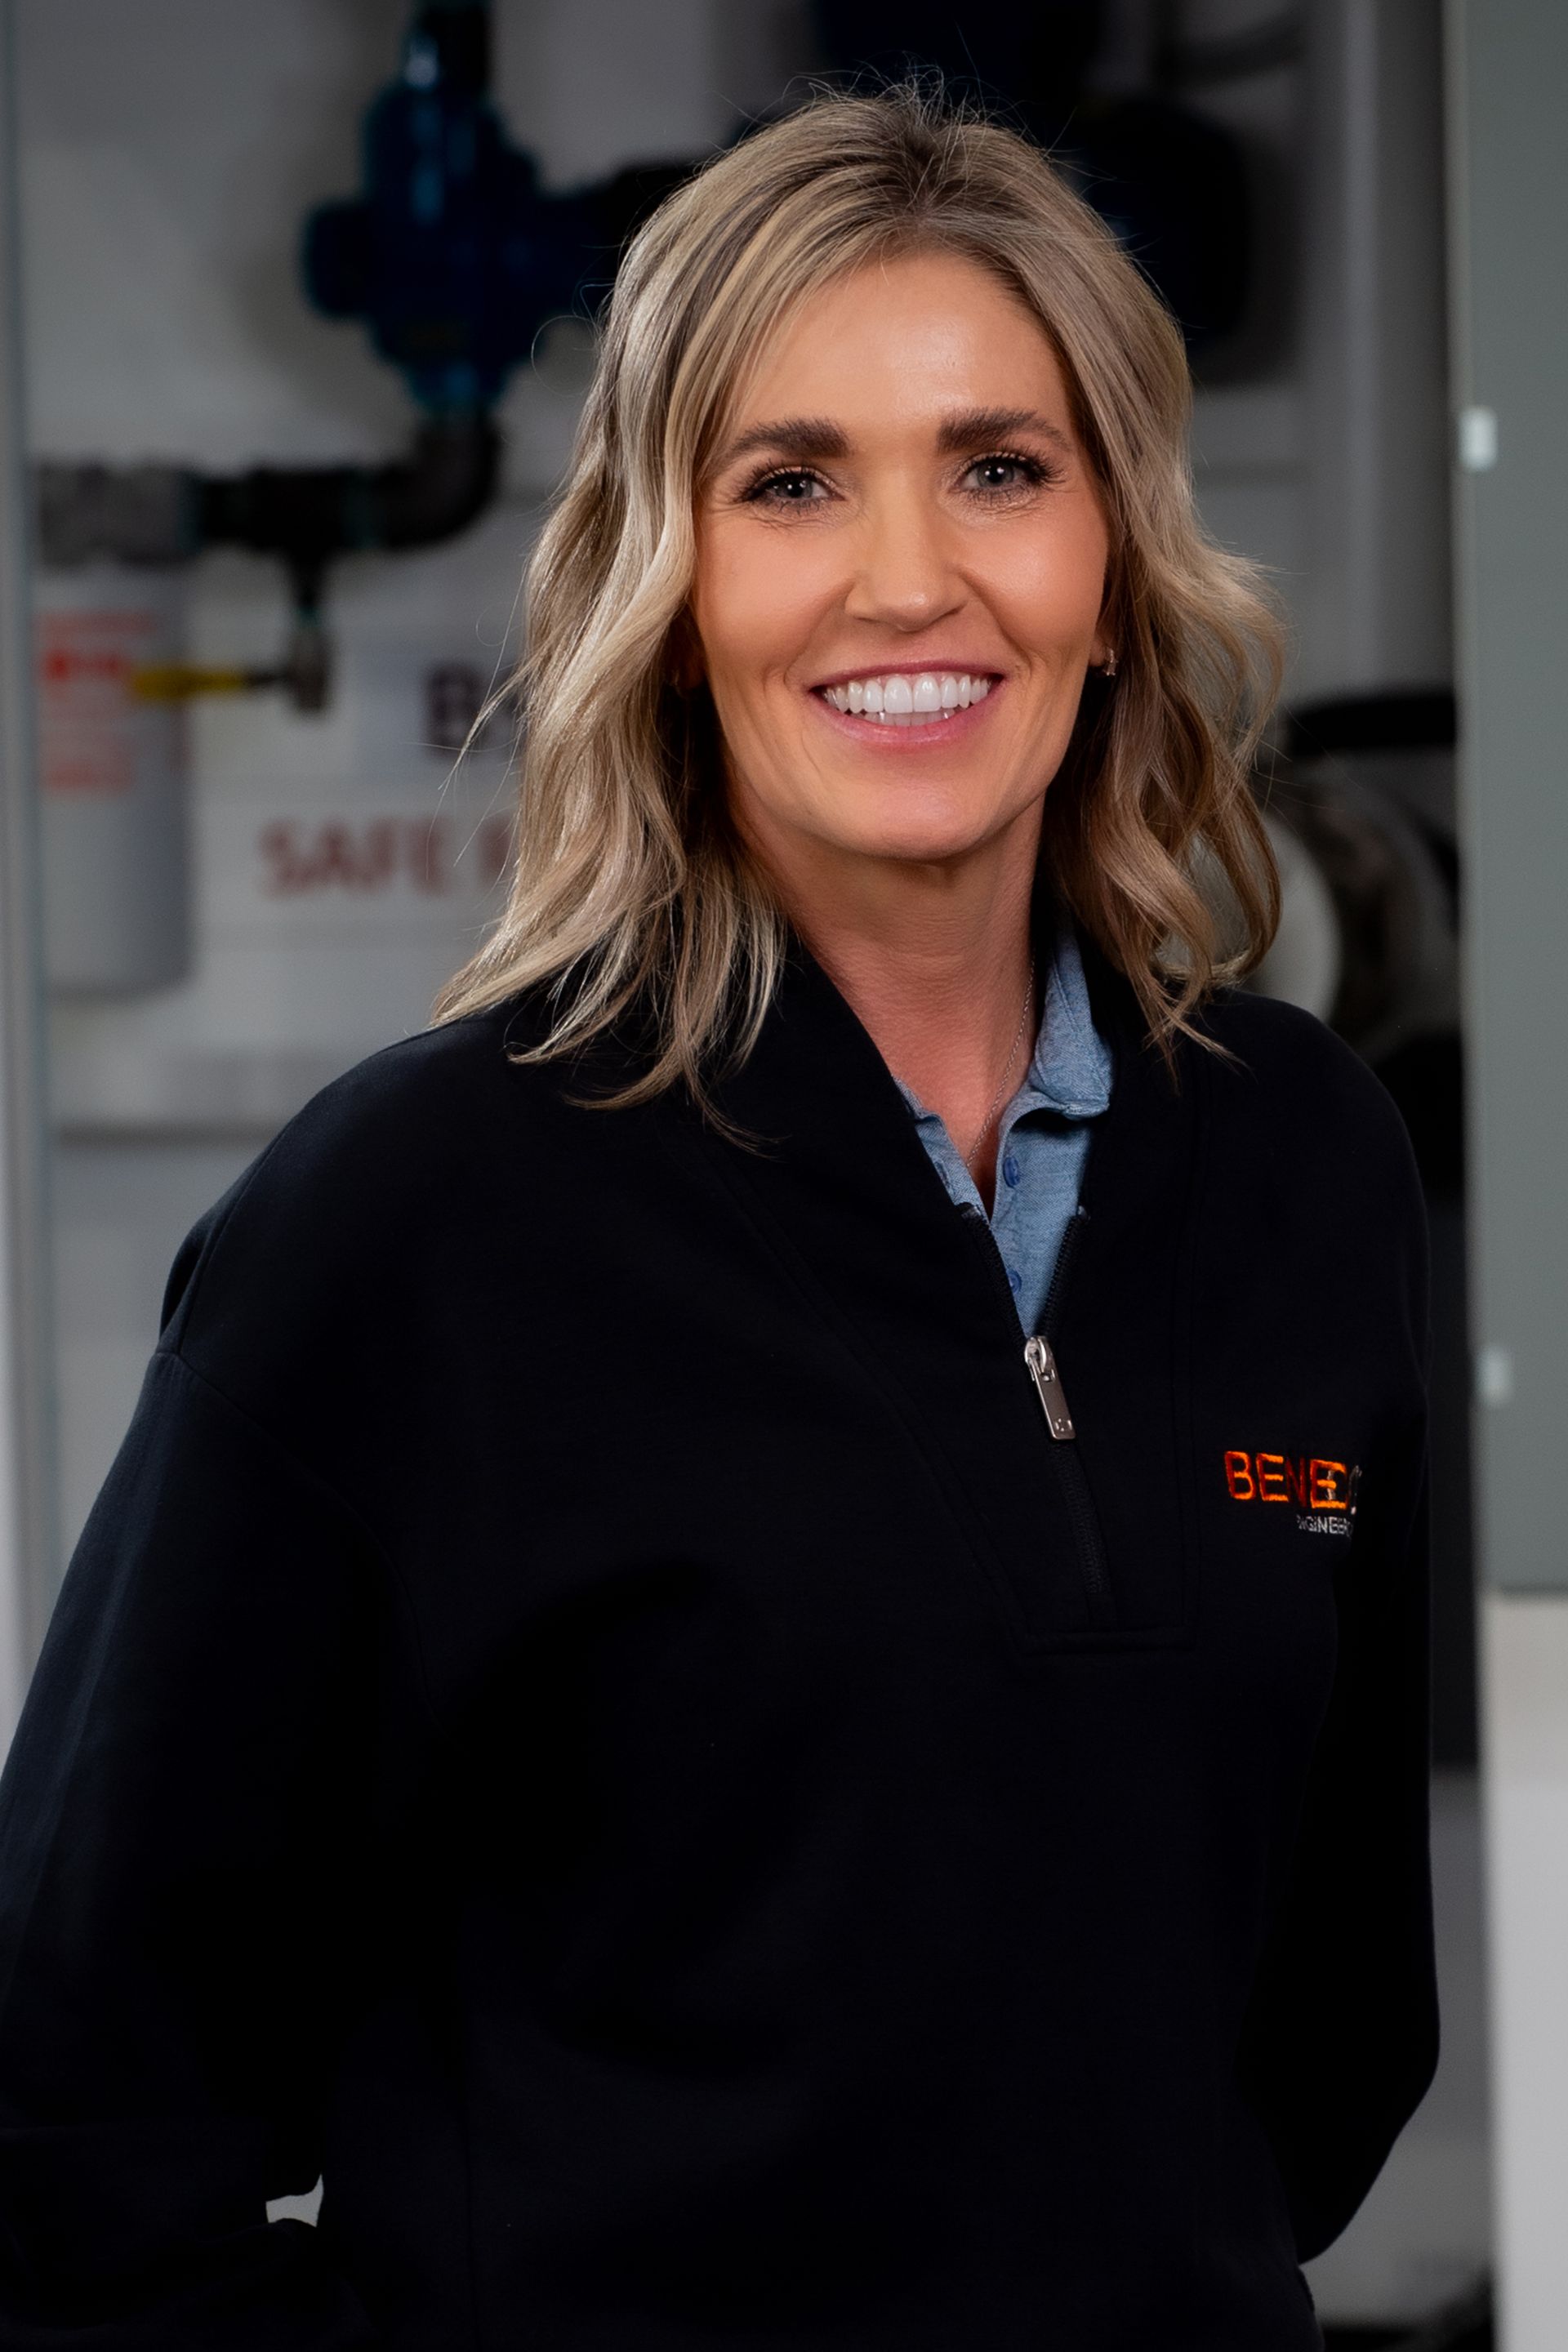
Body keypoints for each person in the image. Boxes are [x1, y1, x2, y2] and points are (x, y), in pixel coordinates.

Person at [0, 85, 1435, 2351]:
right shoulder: (412, 1224)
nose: (904, 578)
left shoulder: (1305, 1167)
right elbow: (70, 2135)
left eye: (999, 465)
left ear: (1114, 564)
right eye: (788, 482)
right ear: (669, 596)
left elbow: (1329, 2044)